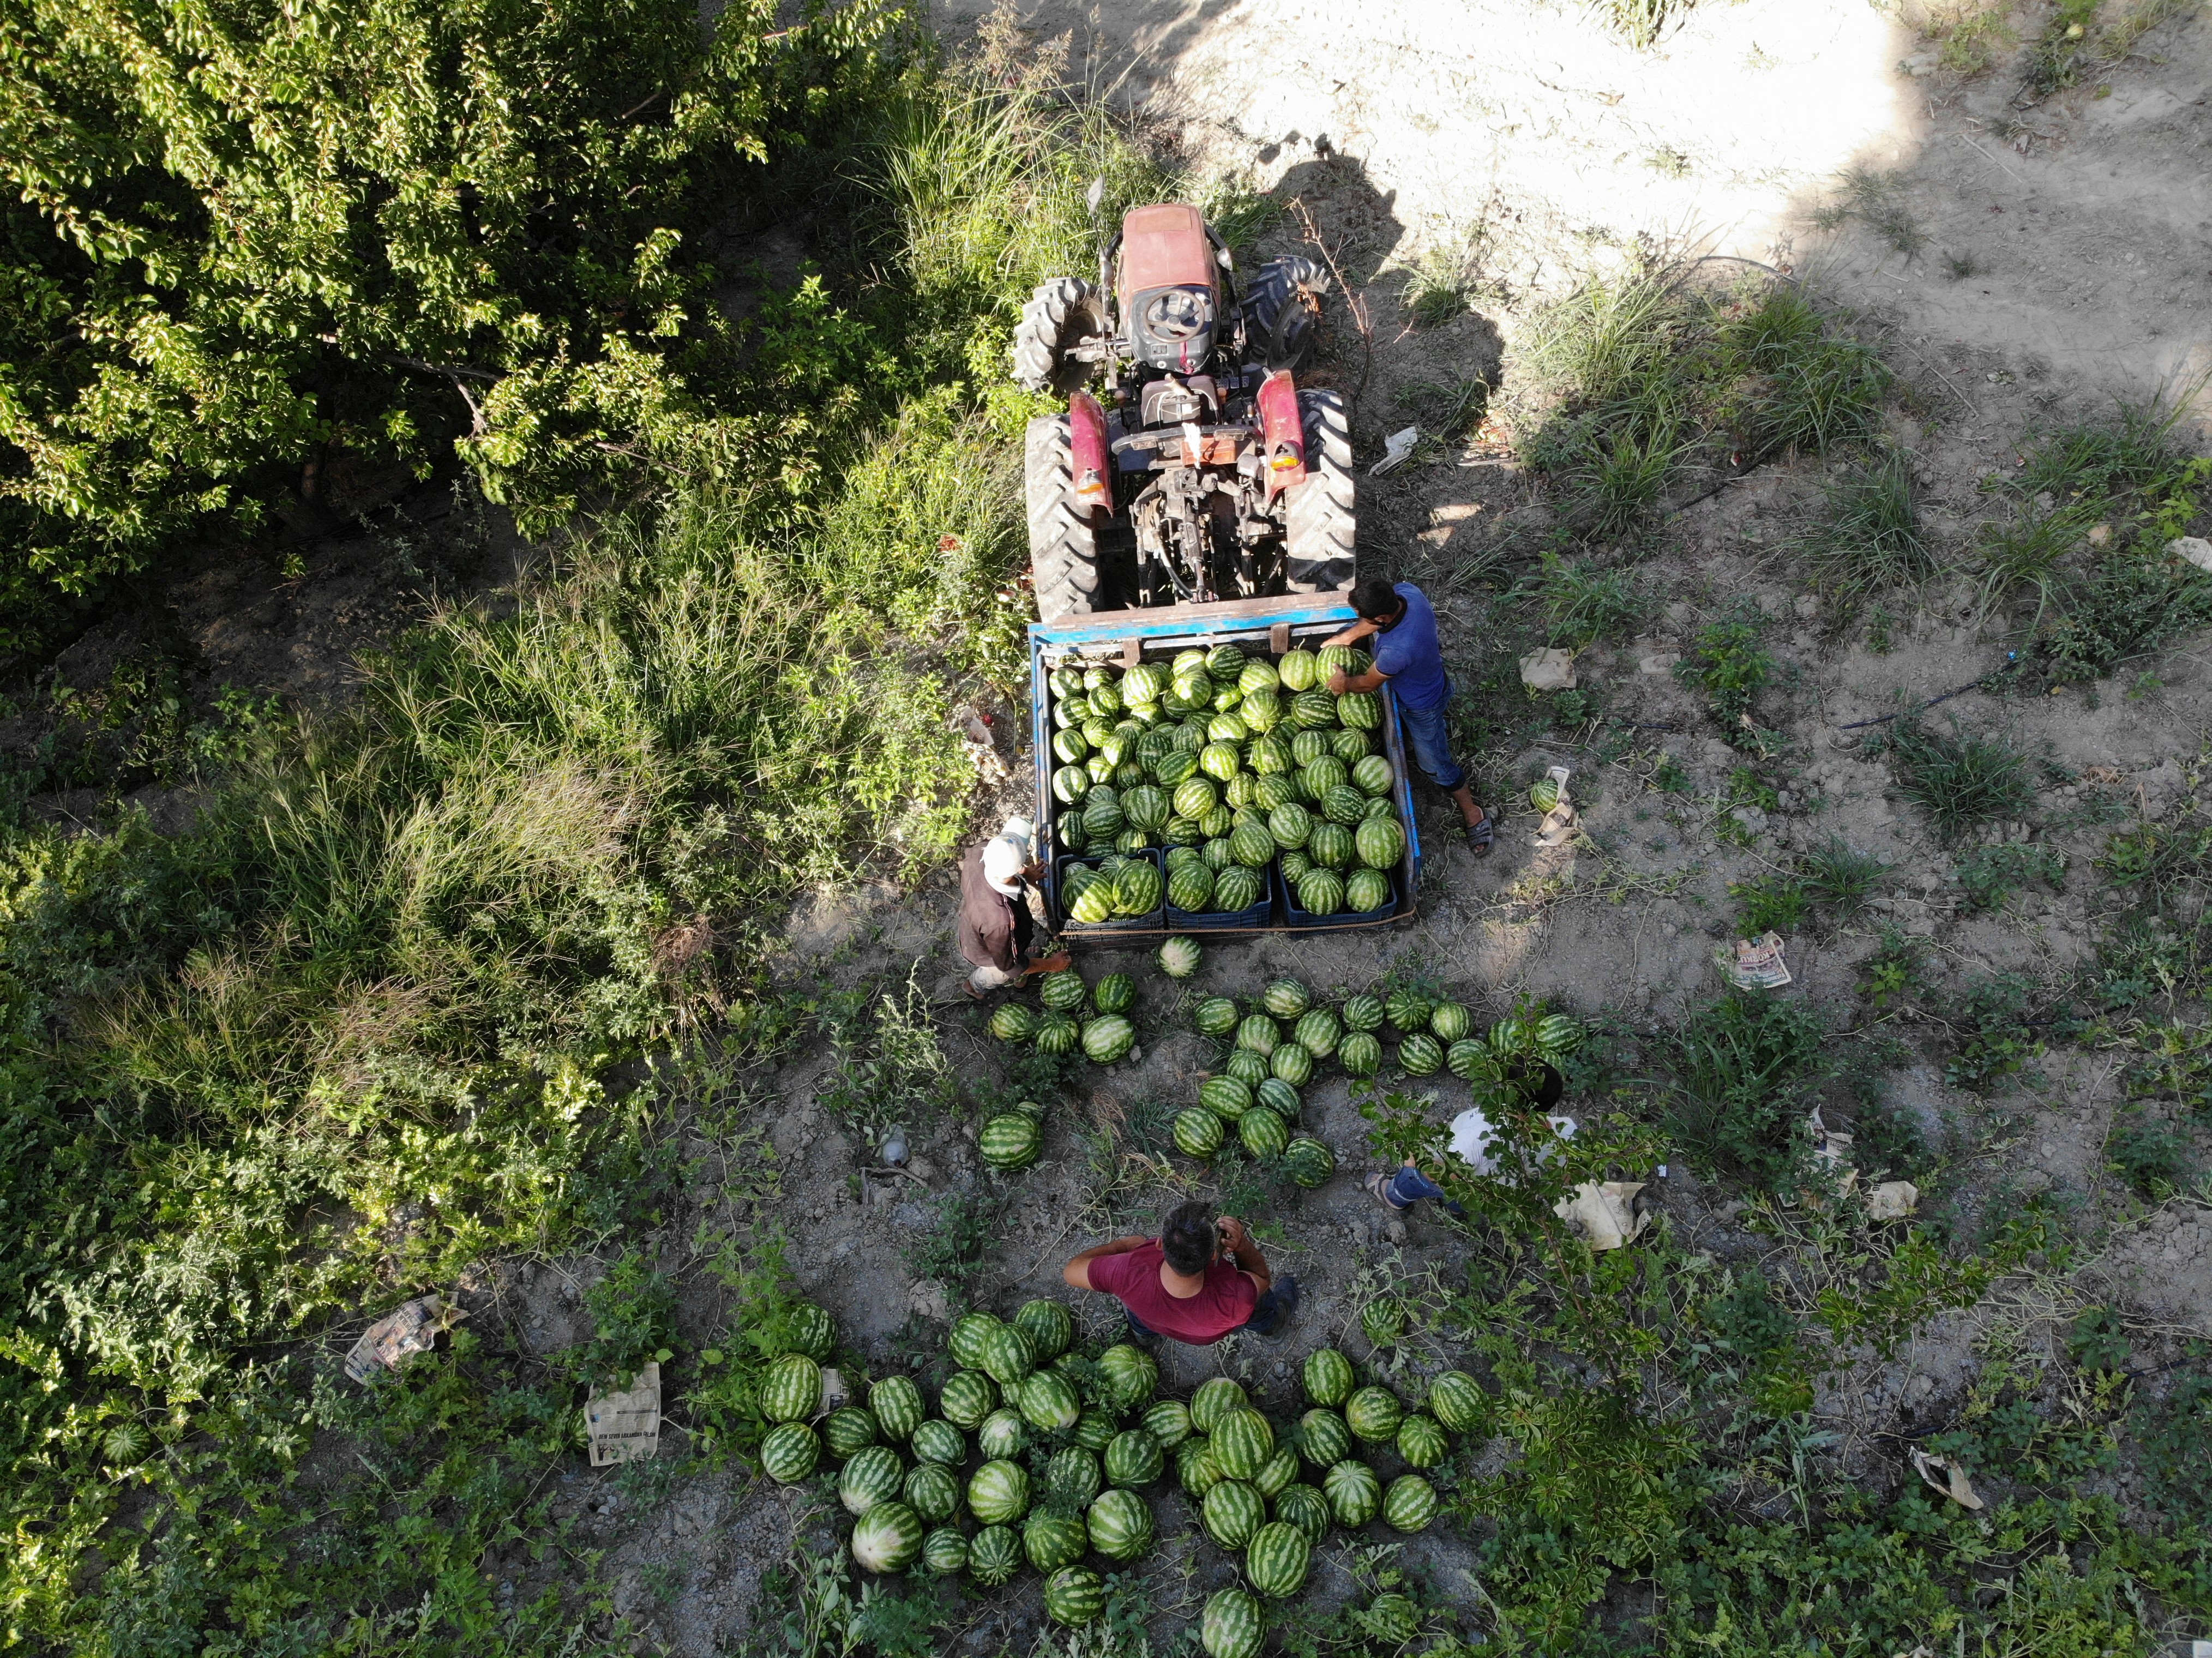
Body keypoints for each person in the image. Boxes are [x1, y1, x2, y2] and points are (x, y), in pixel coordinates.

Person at [1320, 576, 1494, 856]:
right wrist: (1346, 637)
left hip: (1421, 705)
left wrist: (1343, 684)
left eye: (1364, 618)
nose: (1359, 620)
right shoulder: (1408, 594)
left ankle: (1473, 813)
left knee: (1434, 763)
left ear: (1382, 617)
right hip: (1430, 673)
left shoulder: (1396, 651)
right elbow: (1373, 623)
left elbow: (1368, 684)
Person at [1063, 1200, 1300, 1346]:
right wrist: (1242, 1246)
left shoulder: (1127, 1271)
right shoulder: (1235, 1298)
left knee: (1139, 1315)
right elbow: (1261, 1278)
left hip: (1149, 1314)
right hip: (1206, 1333)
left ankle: (1145, 1336)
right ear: (1214, 1256)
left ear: (1160, 1245)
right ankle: (1273, 1328)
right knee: (1261, 1309)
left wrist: (1125, 1246)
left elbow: (1071, 1271)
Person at [1366, 1064, 1574, 1216]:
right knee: (1466, 1196)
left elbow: (1438, 1174)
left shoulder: (1478, 1140)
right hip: (1490, 1187)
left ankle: (1395, 1197)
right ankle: (1458, 1209)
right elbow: (1568, 1177)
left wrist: (1413, 1161)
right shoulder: (1567, 1131)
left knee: (1420, 1178)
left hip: (1461, 1171)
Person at [959, 817, 1069, 998]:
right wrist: (1052, 965)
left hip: (976, 920)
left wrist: (1027, 875)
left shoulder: (981, 852)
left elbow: (1005, 869)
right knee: (999, 971)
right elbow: (1010, 966)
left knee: (1018, 955)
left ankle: (1022, 968)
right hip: (988, 952)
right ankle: (974, 987)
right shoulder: (1002, 922)